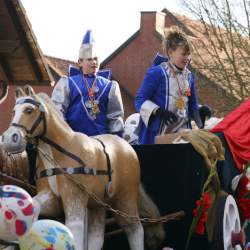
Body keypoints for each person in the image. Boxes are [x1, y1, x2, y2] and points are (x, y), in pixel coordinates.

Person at [135, 26, 203, 144]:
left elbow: (192, 105)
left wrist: (201, 111)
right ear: (171, 53)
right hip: (157, 135)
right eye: (183, 54)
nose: (187, 58)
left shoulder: (189, 76)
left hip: (182, 135)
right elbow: (140, 100)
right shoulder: (157, 72)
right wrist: (158, 111)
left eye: (189, 54)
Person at [51, 30, 124, 136]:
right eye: (89, 59)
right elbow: (57, 110)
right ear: (80, 62)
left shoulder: (109, 86)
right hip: (74, 140)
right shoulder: (68, 83)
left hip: (102, 142)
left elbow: (115, 116)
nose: (94, 62)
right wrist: (65, 135)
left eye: (96, 58)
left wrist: (117, 140)